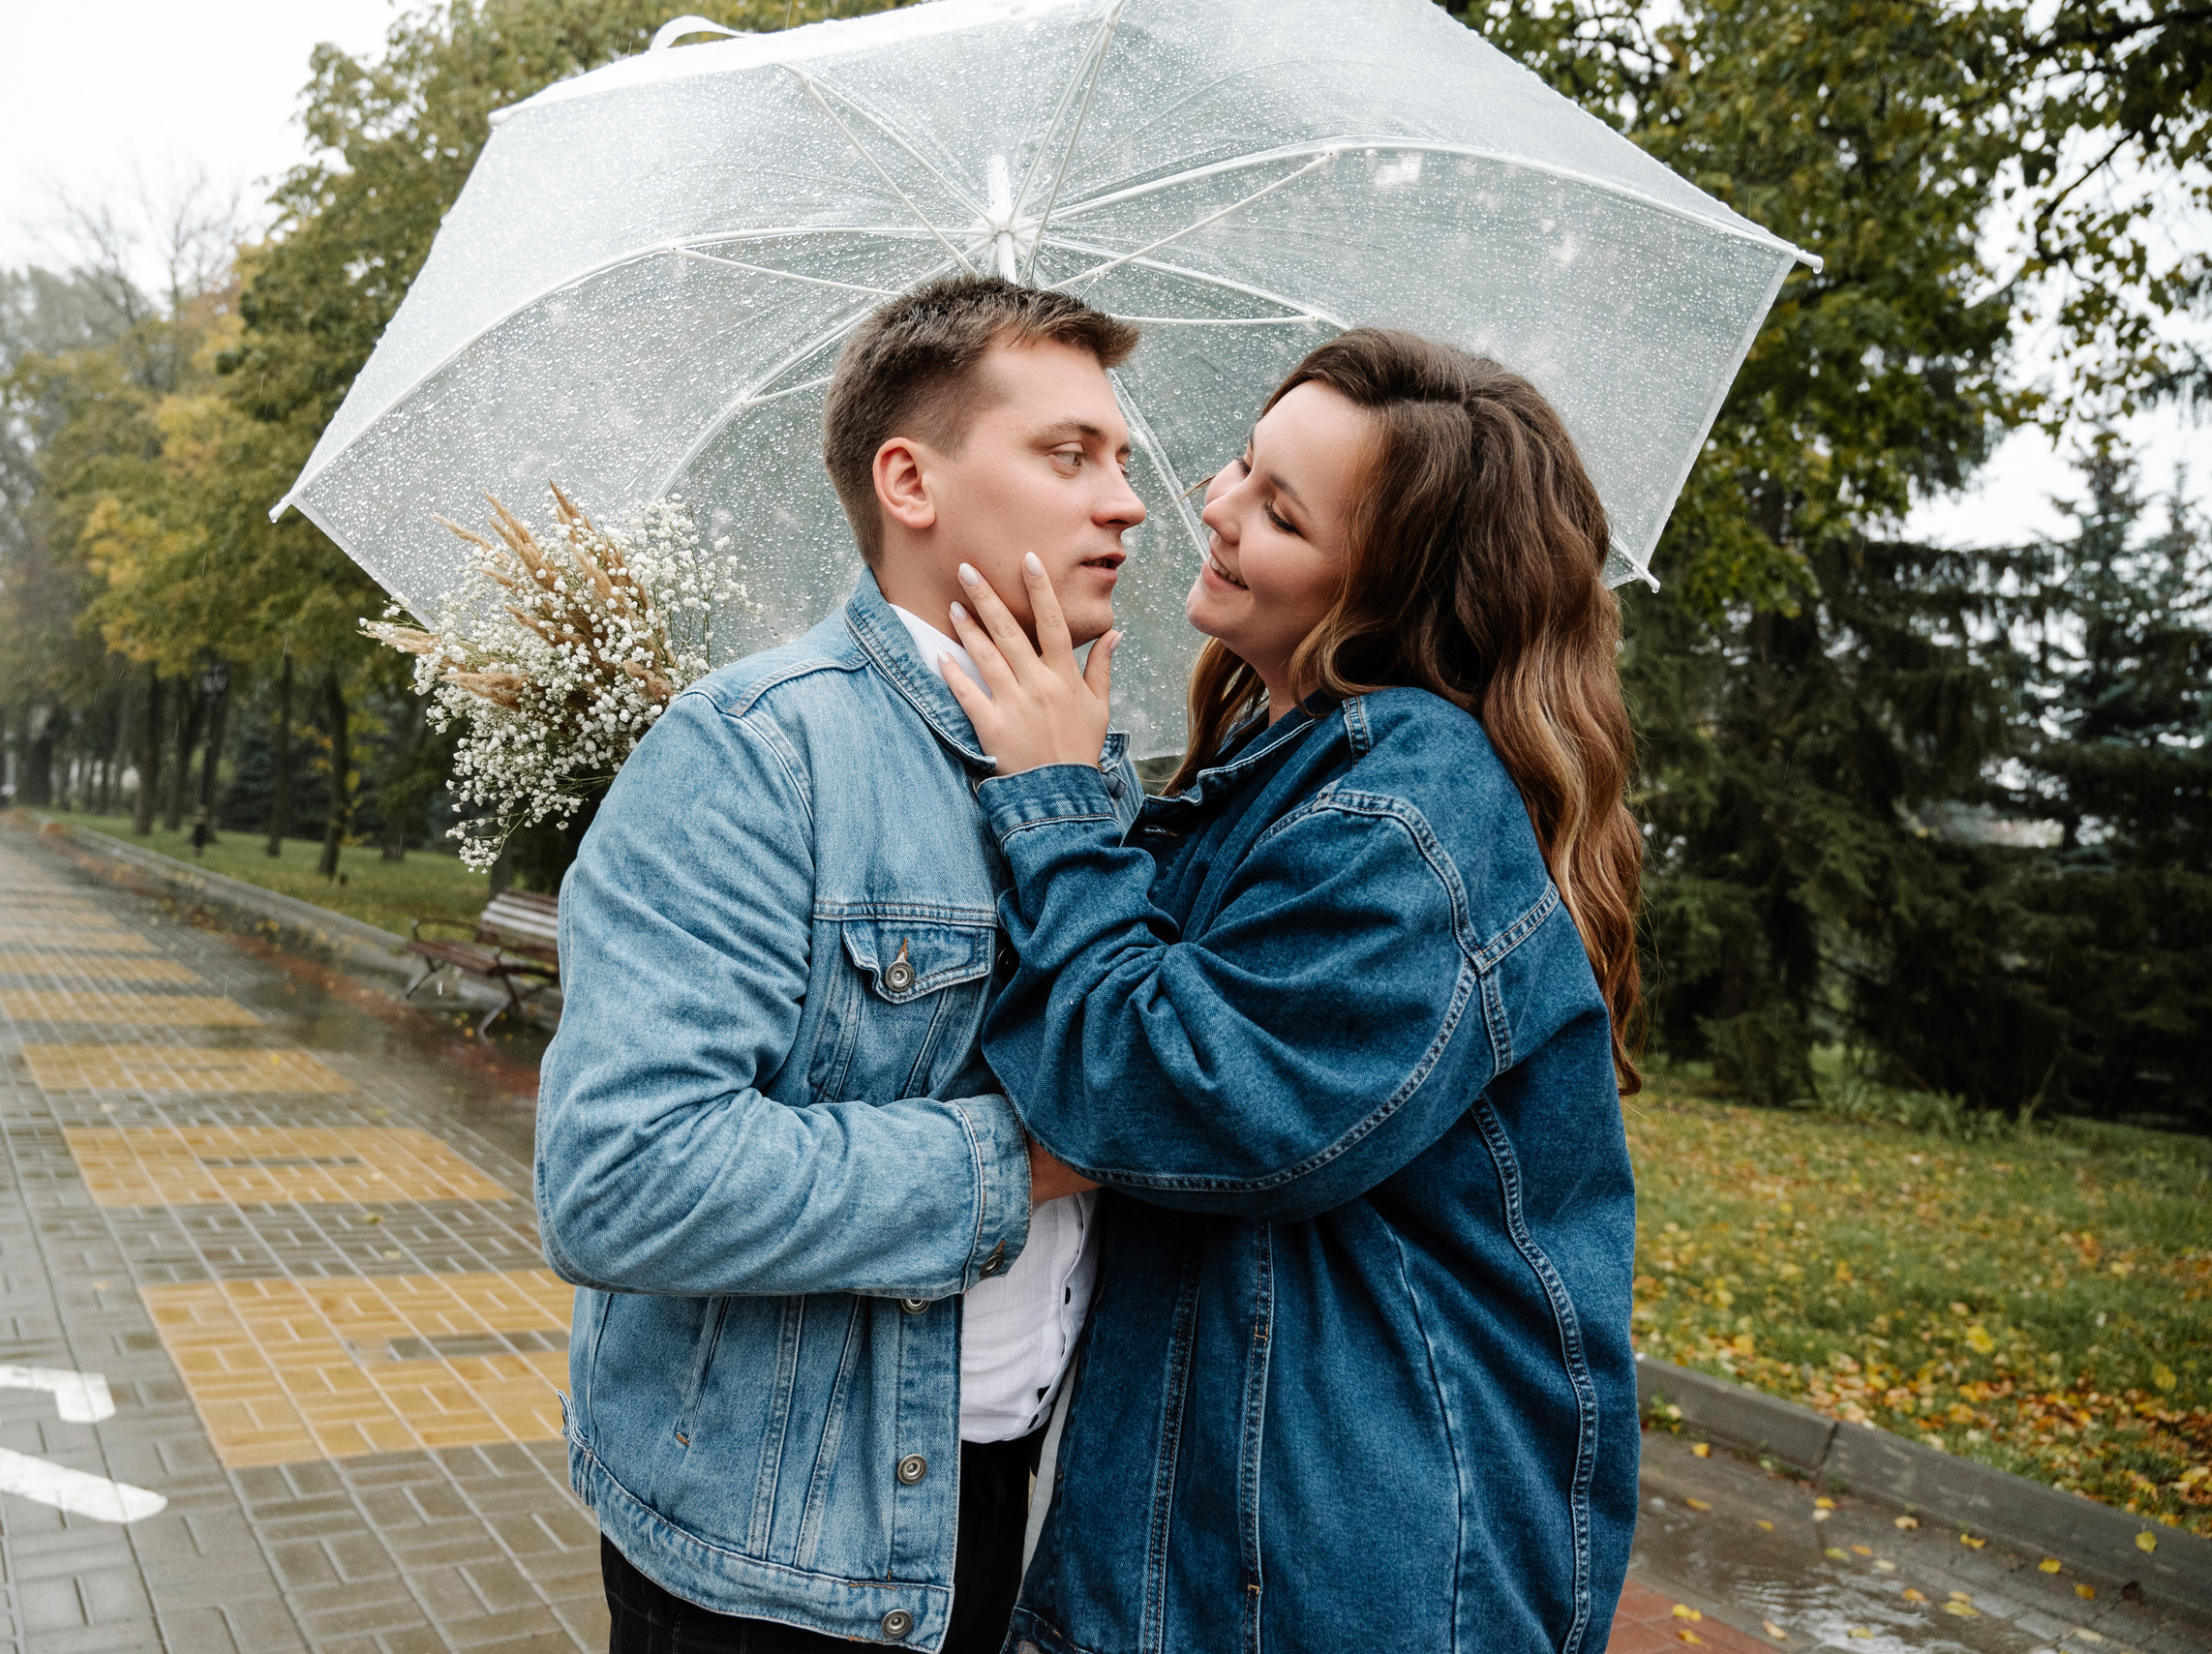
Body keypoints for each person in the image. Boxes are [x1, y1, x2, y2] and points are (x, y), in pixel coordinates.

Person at [937, 328, 1644, 1652]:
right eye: (1242, 467)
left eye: (1279, 509)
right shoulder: (1285, 754)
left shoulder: (1404, 816)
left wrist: (1052, 795)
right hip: (1226, 1531)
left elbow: (1159, 1092)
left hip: (1343, 1572)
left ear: (1386, 592)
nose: (1209, 505)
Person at [537, 276, 1146, 1654]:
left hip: (990, 1501)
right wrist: (1030, 1159)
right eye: (1069, 454)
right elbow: (619, 1178)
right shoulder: (756, 752)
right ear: (910, 479)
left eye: (1120, 457)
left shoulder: (1096, 765)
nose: (1126, 502)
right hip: (769, 1548)